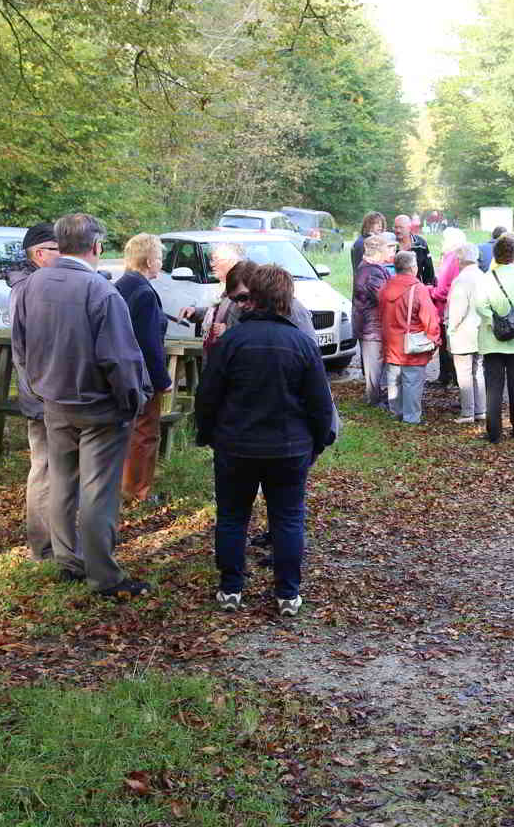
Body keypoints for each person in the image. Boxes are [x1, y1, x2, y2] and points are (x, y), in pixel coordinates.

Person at [10, 213, 152, 599]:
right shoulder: (100, 291)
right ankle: (104, 577)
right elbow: (120, 360)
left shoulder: (32, 284)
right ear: (96, 247)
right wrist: (133, 401)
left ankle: (67, 559)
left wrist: (39, 389)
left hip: (54, 403)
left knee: (61, 483)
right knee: (97, 493)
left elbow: (19, 348)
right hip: (99, 408)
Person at [196, 263, 335, 618]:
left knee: (231, 516)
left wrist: (208, 434)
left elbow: (208, 395)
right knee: (288, 518)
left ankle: (231, 587)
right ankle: (287, 593)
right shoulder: (302, 343)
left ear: (252, 298)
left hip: (236, 444)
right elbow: (319, 403)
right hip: (288, 448)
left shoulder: (231, 342)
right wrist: (319, 441)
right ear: (286, 299)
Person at [7, 222, 62, 562]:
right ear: (39, 254)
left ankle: (55, 541)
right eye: (58, 250)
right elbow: (35, 349)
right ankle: (43, 547)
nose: (64, 256)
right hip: (41, 395)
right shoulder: (29, 290)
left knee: (52, 468)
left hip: (43, 391)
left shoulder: (32, 286)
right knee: (43, 469)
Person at [116, 234, 174, 508]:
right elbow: (149, 344)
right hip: (142, 377)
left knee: (123, 431)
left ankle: (119, 486)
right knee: (145, 433)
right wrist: (163, 381)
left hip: (117, 373)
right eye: (160, 257)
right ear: (149, 260)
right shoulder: (144, 293)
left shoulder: (119, 286)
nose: (161, 263)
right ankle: (138, 491)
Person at [476, 233, 514, 444]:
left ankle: (494, 432)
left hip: (492, 340)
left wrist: (494, 323)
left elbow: (480, 307)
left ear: (495, 254)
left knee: (493, 387)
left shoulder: (486, 279)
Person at [378, 250, 440, 424]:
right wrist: (435, 339)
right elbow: (429, 318)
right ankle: (411, 418)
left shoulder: (385, 287)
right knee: (412, 382)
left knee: (394, 380)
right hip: (411, 346)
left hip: (391, 342)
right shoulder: (418, 289)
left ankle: (396, 412)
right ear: (413, 268)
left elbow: (379, 313)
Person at [445, 241, 487, 424]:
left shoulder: (461, 280)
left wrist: (450, 330)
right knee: (479, 372)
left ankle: (467, 412)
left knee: (464, 373)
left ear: (460, 260)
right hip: (482, 331)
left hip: (464, 332)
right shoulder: (484, 276)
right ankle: (481, 410)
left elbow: (457, 311)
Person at [353, 234, 395, 407]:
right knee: (374, 366)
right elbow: (384, 298)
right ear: (378, 251)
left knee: (376, 364)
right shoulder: (371, 272)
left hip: (372, 325)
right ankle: (374, 400)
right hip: (371, 326)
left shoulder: (373, 268)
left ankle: (376, 397)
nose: (391, 251)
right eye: (388, 247)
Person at [430, 227, 468, 389]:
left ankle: (452, 379)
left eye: (444, 239)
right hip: (443, 307)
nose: (442, 242)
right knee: (445, 344)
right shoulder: (448, 257)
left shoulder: (453, 258)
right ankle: (445, 376)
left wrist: (431, 291)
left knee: (449, 345)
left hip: (448, 307)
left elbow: (447, 287)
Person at [394, 213, 435, 287]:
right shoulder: (391, 245)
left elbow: (429, 268)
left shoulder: (421, 244)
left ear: (409, 228)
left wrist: (428, 285)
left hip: (416, 287)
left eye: (401, 227)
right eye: (396, 227)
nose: (398, 230)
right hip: (396, 288)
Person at [350, 211, 386, 279]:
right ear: (368, 224)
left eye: (381, 223)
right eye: (377, 223)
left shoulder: (365, 240)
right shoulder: (365, 243)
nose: (380, 226)